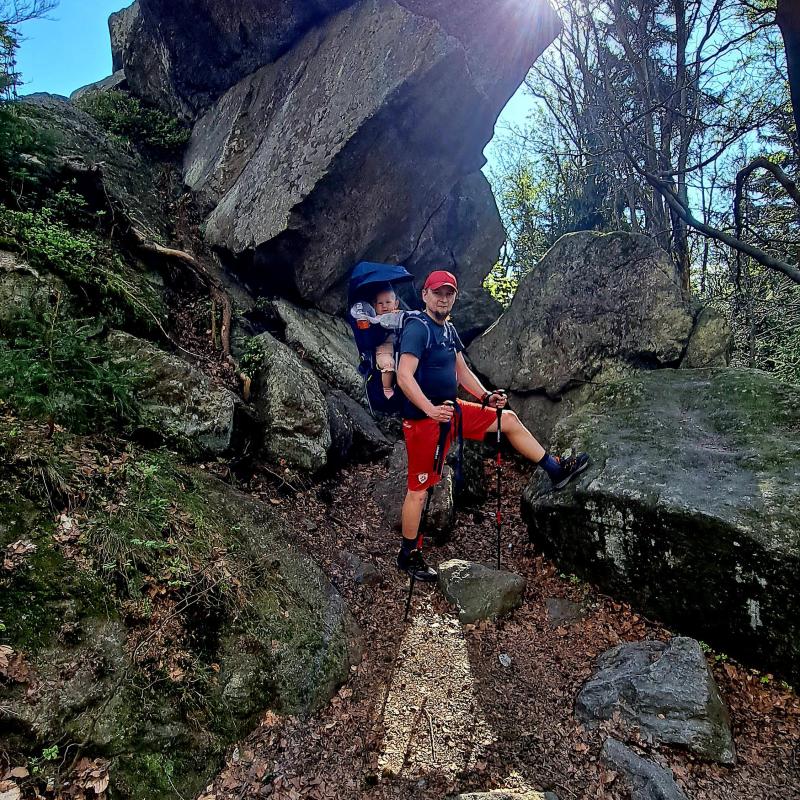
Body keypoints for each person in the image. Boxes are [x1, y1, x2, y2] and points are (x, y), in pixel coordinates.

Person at [395, 269, 589, 582]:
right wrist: (430, 410)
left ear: (454, 297)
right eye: (437, 292)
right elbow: (404, 376)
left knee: (507, 420)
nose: (443, 298)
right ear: (425, 295)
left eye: (449, 293)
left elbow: (460, 368)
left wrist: (484, 396)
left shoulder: (447, 329)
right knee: (419, 491)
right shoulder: (418, 328)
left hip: (452, 411)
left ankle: (555, 469)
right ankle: (408, 554)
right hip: (424, 421)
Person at [373, 286, 400, 399]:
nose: (384, 306)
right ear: (374, 306)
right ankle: (387, 387)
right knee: (389, 363)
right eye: (380, 303)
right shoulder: (376, 319)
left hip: (399, 349)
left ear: (396, 304)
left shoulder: (399, 315)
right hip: (383, 351)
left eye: (388, 302)